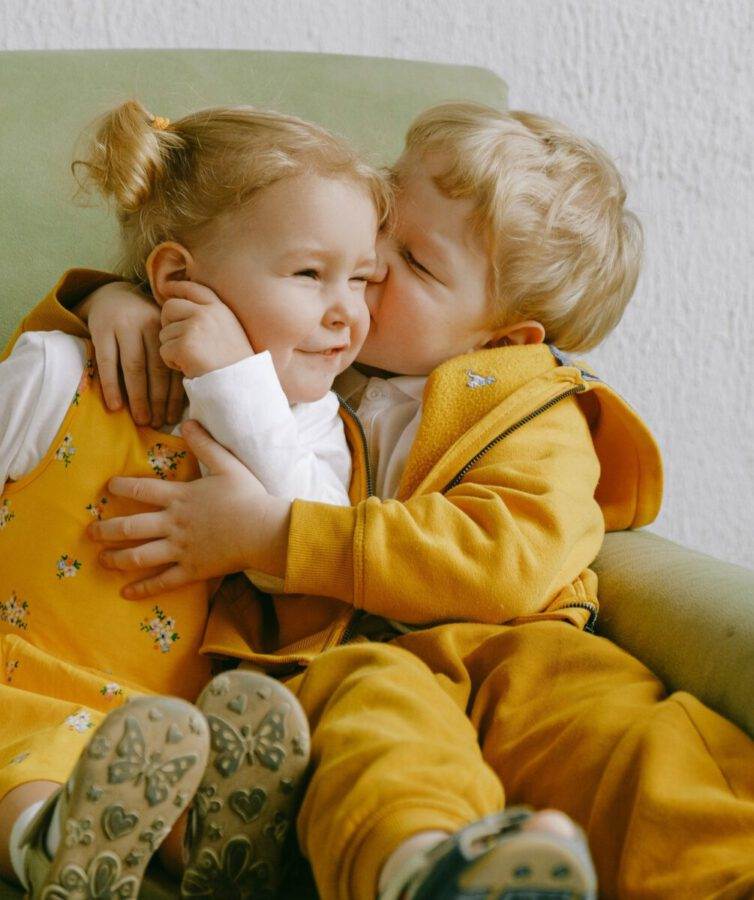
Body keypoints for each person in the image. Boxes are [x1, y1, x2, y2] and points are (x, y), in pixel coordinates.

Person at [12, 101, 754, 899]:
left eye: (416, 262)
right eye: (385, 222)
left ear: (506, 338)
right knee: (381, 750)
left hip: (517, 657)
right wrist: (116, 301)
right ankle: (432, 871)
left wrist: (274, 537)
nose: (370, 265)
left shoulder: (535, 407)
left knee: (637, 746)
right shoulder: (319, 360)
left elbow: (501, 564)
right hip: (363, 666)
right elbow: (215, 293)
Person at [0, 98, 393, 897]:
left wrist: (233, 381)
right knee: (25, 754)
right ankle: (54, 848)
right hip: (15, 676)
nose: (347, 313)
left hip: (165, 729)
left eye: (364, 279)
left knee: (182, 767)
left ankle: (214, 850)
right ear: (178, 278)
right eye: (310, 274)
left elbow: (313, 547)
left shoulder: (316, 431)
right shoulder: (60, 372)